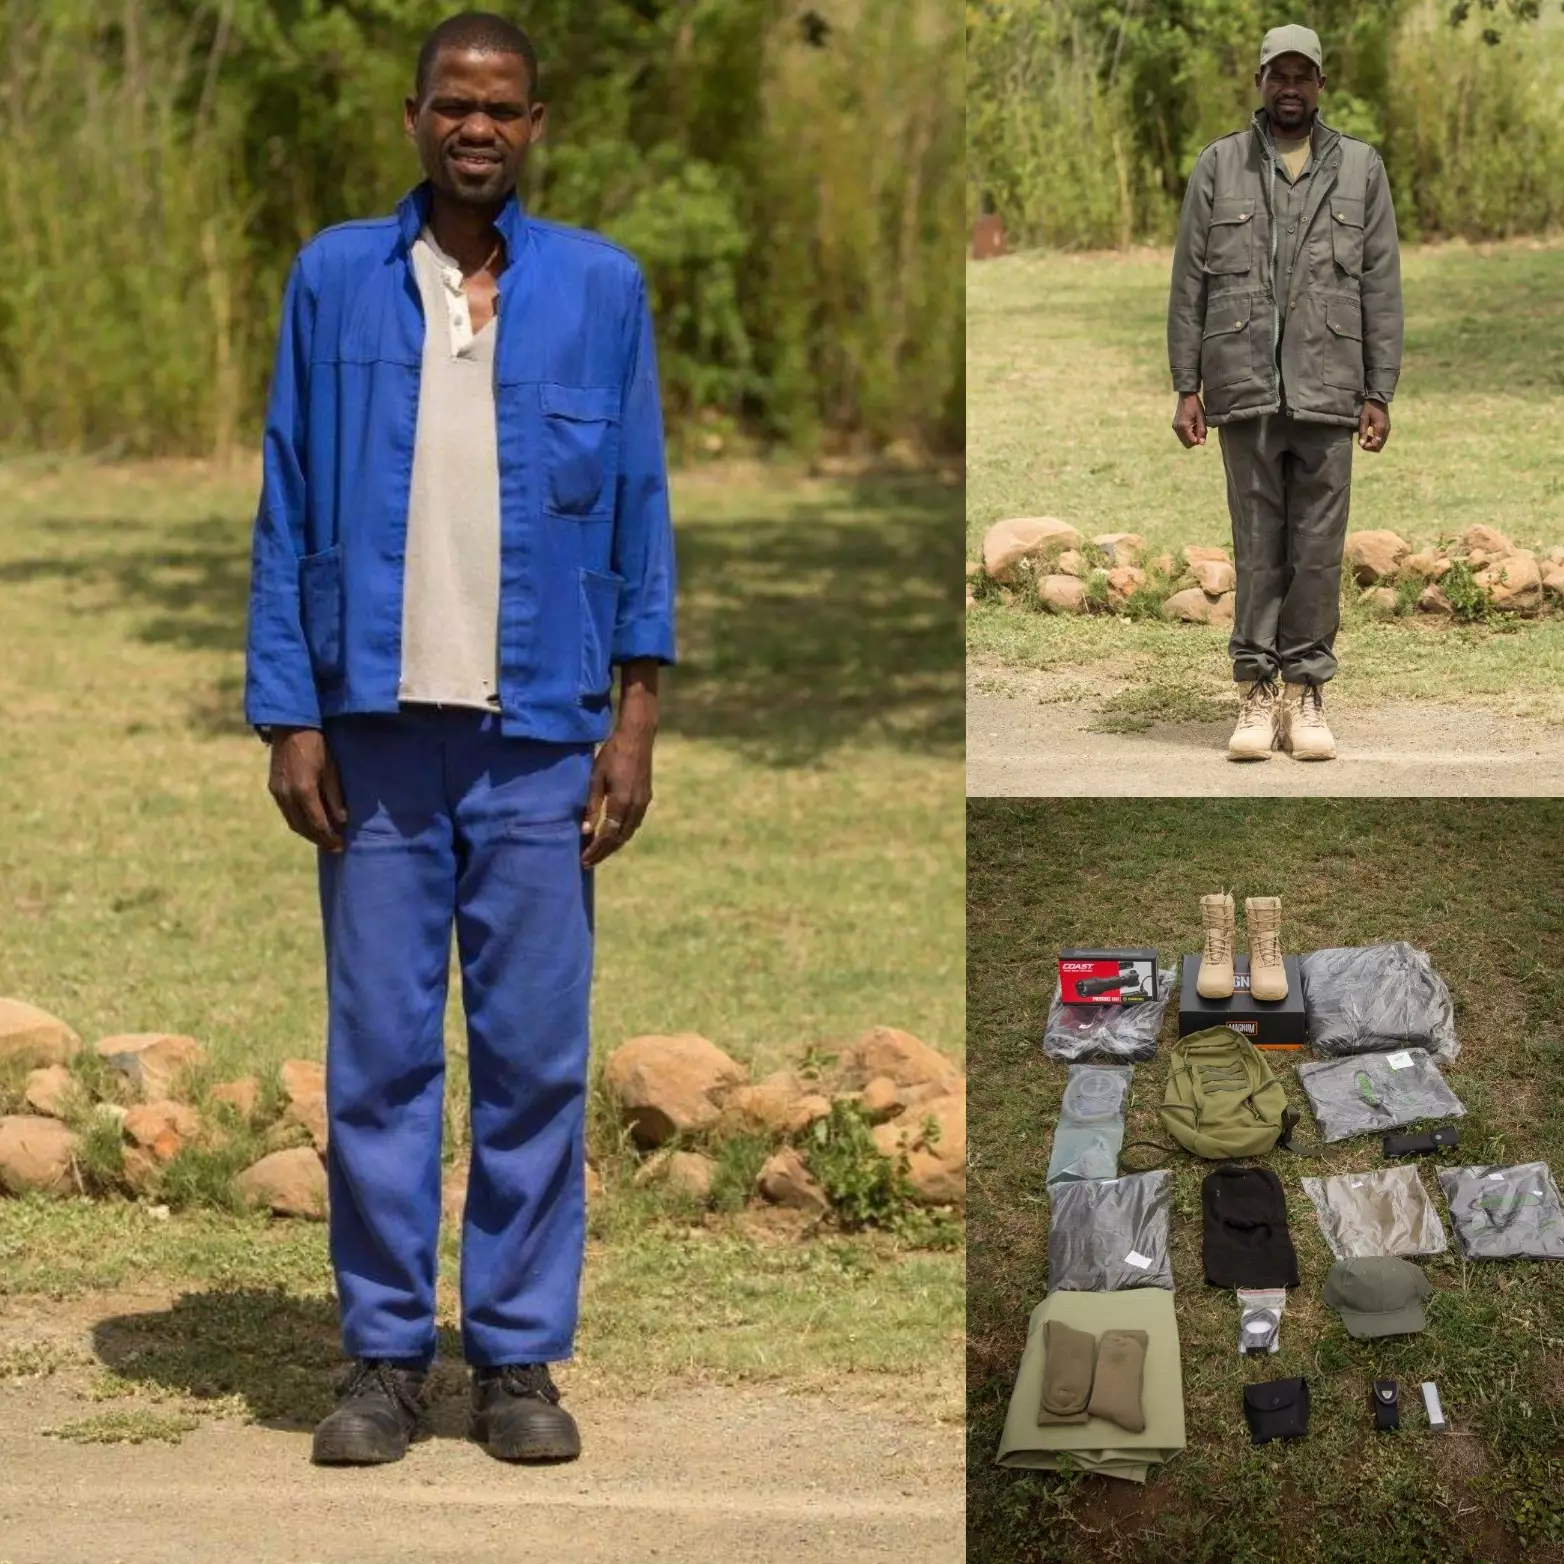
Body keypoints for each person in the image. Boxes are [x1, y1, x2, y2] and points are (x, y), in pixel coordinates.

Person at [243, 11, 676, 1466]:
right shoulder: (334, 281)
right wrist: (290, 708)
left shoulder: (601, 291)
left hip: (542, 734)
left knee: (536, 1058)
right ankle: (380, 1356)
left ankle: (514, 1359)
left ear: (534, 126)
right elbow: (289, 493)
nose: (475, 129)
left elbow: (639, 506)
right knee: (375, 1055)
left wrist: (636, 718)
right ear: (413, 116)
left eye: (501, 109)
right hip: (374, 735)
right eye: (452, 107)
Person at [1166, 23, 1402, 762]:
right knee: (1257, 546)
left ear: (1321, 84)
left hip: (1332, 387)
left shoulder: (1361, 169)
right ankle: (1253, 692)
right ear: (1261, 82)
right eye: (1279, 75)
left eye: (1304, 75)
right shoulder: (1219, 166)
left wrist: (1380, 390)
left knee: (1318, 549)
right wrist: (1186, 386)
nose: (1291, 88)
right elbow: (1189, 286)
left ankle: (1305, 694)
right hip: (1243, 388)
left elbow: (1381, 288)